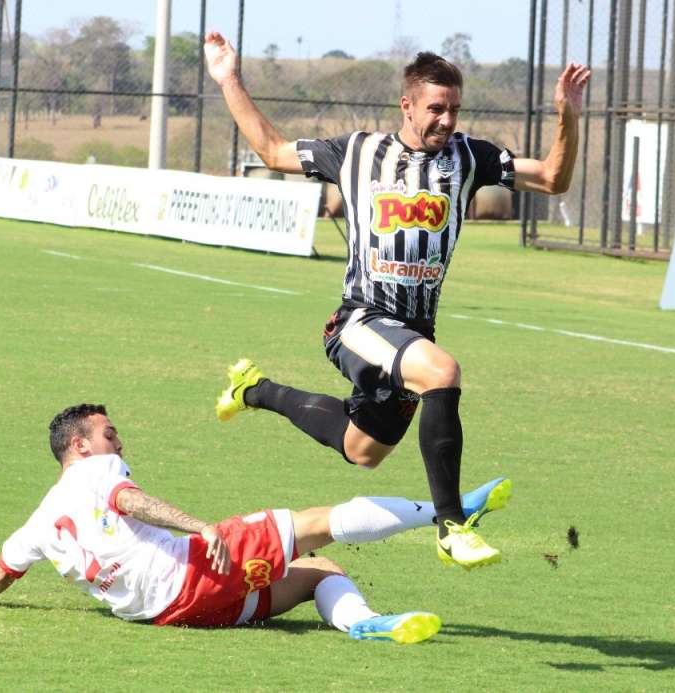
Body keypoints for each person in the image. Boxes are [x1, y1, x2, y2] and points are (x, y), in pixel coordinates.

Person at [205, 32, 586, 571]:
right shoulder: (356, 152)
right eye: (436, 109)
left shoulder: (469, 157)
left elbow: (552, 178)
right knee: (442, 372)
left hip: (411, 334)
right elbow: (271, 149)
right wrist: (229, 79)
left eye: (454, 110)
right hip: (359, 321)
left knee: (363, 449)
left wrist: (567, 116)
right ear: (407, 105)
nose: (447, 121)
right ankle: (452, 526)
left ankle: (254, 389)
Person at [0, 403, 510, 642]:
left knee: (320, 571)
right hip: (189, 574)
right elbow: (131, 501)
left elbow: (2, 571)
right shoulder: (96, 470)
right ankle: (450, 511)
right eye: (108, 433)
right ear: (78, 446)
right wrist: (200, 527)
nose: (118, 441)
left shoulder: (37, 523)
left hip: (173, 613)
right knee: (319, 522)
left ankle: (367, 625)